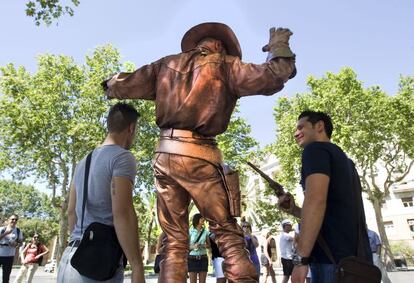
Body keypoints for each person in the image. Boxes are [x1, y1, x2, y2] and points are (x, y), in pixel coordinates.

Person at [103, 22, 296, 283]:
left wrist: (111, 83)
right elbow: (274, 76)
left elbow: (121, 84)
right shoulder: (225, 65)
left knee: (174, 241)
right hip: (201, 155)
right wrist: (278, 46)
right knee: (227, 235)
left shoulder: (165, 64)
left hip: (165, 155)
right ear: (219, 45)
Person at [278, 110, 372, 283]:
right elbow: (331, 212)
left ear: (319, 126)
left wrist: (301, 260)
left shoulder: (315, 150)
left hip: (332, 263)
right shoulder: (346, 161)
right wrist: (295, 210)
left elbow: (316, 201)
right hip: (358, 263)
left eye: (301, 127)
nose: (295, 133)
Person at [57, 103, 145, 283]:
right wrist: (137, 266)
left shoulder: (83, 161)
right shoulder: (122, 157)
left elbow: (71, 211)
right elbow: (122, 213)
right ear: (131, 128)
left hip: (70, 259)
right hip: (97, 265)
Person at [0, 214, 23, 283]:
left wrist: (16, 244)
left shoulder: (18, 231)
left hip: (9, 256)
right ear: (8, 220)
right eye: (12, 219)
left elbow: (20, 243)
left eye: (16, 219)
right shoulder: (1, 229)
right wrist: (6, 233)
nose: (14, 221)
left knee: (6, 277)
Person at [188, 213, 210, 283]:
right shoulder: (190, 231)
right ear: (197, 220)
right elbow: (185, 246)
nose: (203, 219)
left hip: (203, 258)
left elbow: (209, 245)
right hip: (192, 259)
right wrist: (193, 246)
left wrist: (202, 245)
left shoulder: (205, 232)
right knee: (193, 281)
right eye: (201, 218)